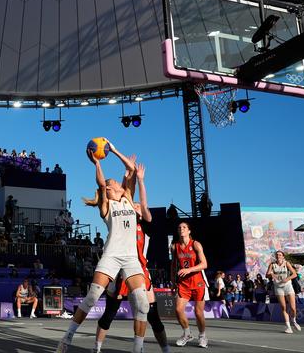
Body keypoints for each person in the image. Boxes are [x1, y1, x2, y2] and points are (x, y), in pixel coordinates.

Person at [57, 140, 149, 353]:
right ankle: (67, 338)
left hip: (130, 257)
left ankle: (138, 349)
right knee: (91, 298)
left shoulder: (127, 197)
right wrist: (97, 163)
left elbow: (132, 169)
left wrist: (115, 150)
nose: (118, 181)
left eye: (118, 181)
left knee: (142, 304)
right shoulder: (106, 206)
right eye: (113, 181)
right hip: (111, 255)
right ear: (109, 188)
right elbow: (100, 183)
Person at [93, 162, 170, 353]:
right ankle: (96, 348)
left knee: (153, 317)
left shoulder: (145, 226)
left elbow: (141, 202)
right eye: (132, 204)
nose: (134, 205)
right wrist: (126, 178)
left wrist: (140, 180)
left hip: (139, 271)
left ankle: (164, 349)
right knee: (109, 314)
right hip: (119, 271)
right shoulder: (119, 217)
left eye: (136, 206)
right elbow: (122, 194)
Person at [171, 222, 209, 348]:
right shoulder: (174, 246)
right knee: (178, 309)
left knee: (198, 312)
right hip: (183, 284)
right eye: (179, 227)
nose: (181, 229)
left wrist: (189, 270)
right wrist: (173, 281)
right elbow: (173, 265)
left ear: (189, 231)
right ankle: (187, 333)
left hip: (198, 282)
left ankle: (203, 336)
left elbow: (204, 264)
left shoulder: (196, 244)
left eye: (184, 227)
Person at [266, 250, 301, 334]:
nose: (278, 256)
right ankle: (288, 327)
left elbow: (294, 274)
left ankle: (294, 321)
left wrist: (287, 279)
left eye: (280, 255)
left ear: (283, 256)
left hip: (288, 286)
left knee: (293, 308)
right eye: (277, 255)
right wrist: (271, 275)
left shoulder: (286, 263)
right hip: (278, 287)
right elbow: (267, 275)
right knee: (283, 307)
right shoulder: (272, 264)